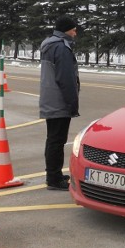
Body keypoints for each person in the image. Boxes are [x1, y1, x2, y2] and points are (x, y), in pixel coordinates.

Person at [39, 15, 80, 191]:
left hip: (50, 98)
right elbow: (66, 79)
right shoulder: (62, 48)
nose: (75, 32)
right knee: (57, 140)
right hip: (59, 101)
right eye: (73, 29)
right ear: (66, 30)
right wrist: (72, 103)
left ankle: (53, 173)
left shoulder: (49, 44)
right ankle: (54, 179)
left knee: (53, 139)